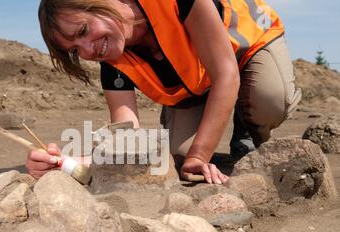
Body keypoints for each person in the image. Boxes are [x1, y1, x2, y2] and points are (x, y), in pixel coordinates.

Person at [26, 0, 301, 184]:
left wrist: (199, 156)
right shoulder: (112, 60)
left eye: (84, 30)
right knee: (173, 156)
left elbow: (226, 74)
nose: (87, 50)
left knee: (269, 99)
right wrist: (65, 162)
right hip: (200, 83)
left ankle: (247, 126)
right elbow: (126, 141)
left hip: (245, 49)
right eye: (74, 50)